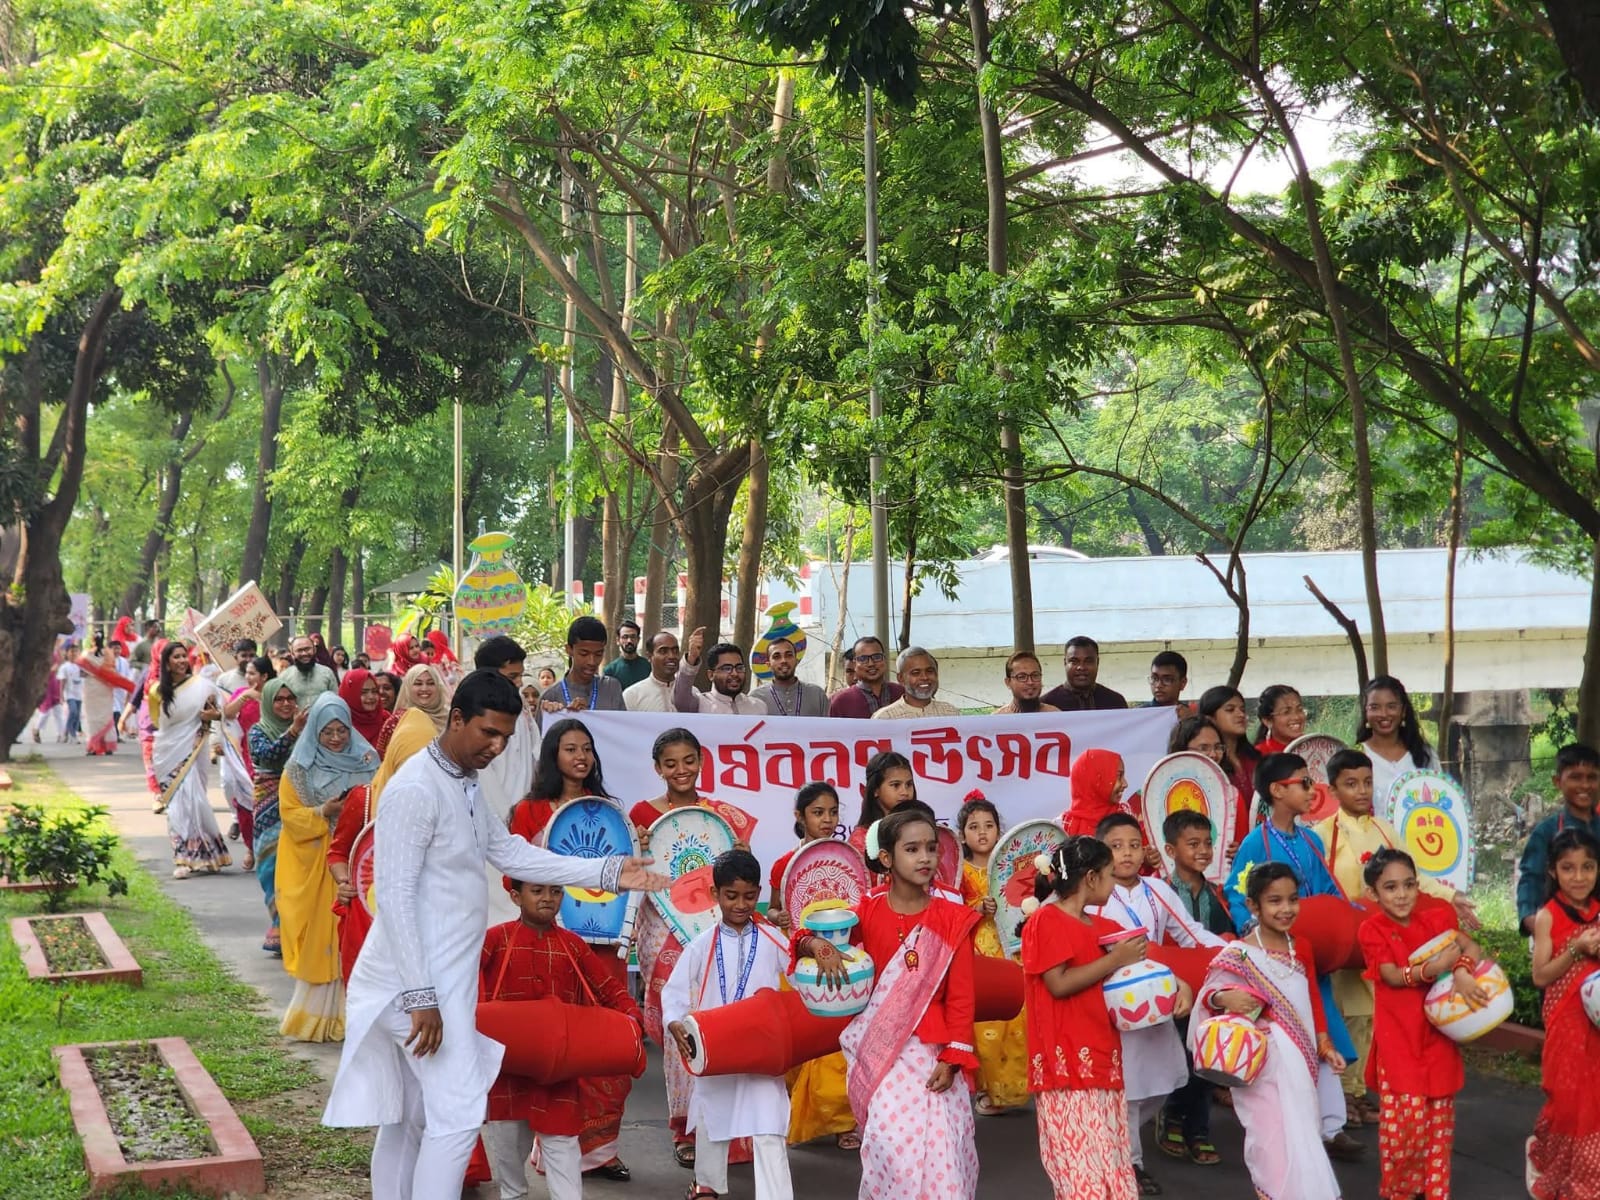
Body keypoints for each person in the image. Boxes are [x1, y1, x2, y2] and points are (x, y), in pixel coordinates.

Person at [320, 670, 667, 1198]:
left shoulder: (461, 782)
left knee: (411, 1117)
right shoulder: (415, 789)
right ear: (456, 719)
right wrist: (421, 997)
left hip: (437, 983)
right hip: (413, 985)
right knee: (458, 1115)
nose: (497, 747)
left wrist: (607, 872)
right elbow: (393, 897)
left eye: (505, 737)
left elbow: (509, 852)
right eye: (488, 733)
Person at [800, 807, 980, 1199]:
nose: (925, 858)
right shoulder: (866, 909)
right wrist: (816, 944)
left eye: (931, 848)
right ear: (886, 858)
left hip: (933, 1053)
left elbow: (962, 996)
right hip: (879, 1052)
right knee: (890, 1145)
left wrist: (953, 1057)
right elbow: (809, 933)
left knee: (942, 1152)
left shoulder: (952, 918)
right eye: (912, 849)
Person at [1313, 747, 1476, 1127]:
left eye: (1367, 782)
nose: (1361, 791)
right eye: (1350, 784)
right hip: (1347, 939)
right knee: (1346, 1013)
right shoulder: (1323, 835)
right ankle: (1343, 1096)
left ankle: (1359, 1092)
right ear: (1333, 791)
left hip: (1388, 936)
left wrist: (1452, 896)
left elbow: (1413, 876)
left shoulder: (1386, 829)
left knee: (1373, 1016)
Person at [627, 728, 757, 1166]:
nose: (680, 770)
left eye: (688, 761)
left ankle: (729, 1127)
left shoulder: (720, 819)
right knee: (679, 1024)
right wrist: (639, 847)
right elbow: (635, 873)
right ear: (657, 768)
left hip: (711, 933)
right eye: (670, 763)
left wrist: (739, 851)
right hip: (661, 931)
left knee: (719, 1020)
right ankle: (684, 1128)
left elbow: (739, 872)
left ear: (701, 761)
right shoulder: (642, 816)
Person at [1223, 753, 1363, 1159]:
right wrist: (1254, 933)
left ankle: (1332, 1127)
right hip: (1273, 959)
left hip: (1308, 953)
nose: (1310, 790)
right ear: (1277, 790)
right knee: (1285, 1043)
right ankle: (1295, 1127)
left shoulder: (1310, 839)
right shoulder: (1256, 842)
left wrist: (1345, 920)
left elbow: (1329, 890)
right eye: (1302, 782)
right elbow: (1237, 892)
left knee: (1322, 1032)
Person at [479, 877, 645, 1200]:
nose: (548, 899)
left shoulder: (572, 945)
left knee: (566, 1155)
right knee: (511, 1172)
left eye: (555, 892)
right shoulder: (494, 940)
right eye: (537, 891)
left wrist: (632, 1020)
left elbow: (608, 989)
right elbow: (461, 984)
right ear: (515, 897)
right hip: (507, 1071)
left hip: (559, 1074)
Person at [1197, 862, 1345, 1200]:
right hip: (1258, 1063)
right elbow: (1210, 997)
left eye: (1293, 900)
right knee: (1269, 1142)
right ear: (1253, 905)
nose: (1286, 909)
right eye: (1275, 901)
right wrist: (1224, 997)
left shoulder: (1302, 947)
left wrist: (1324, 1043)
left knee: (1302, 1136)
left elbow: (1311, 1000)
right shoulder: (1239, 955)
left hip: (1300, 1064)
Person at [1086, 812, 1214, 1193]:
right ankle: (1131, 1164)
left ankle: (1119, 1141)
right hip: (1111, 1007)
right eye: (1115, 846)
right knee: (1125, 1089)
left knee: (1162, 1082)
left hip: (1155, 1005)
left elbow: (1192, 935)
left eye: (1134, 845)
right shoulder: (1093, 897)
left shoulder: (1158, 891)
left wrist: (1235, 954)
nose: (1126, 854)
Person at [665, 851, 795, 1200]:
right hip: (716, 1046)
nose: (740, 904)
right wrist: (674, 1022)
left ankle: (777, 1195)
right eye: (731, 896)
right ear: (715, 894)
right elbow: (674, 992)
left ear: (759, 893)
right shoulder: (701, 945)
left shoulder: (773, 940)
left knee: (769, 1123)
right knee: (713, 1116)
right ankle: (706, 1184)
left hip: (762, 1047)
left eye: (750, 896)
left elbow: (799, 977)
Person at [1359, 847, 1485, 1200]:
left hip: (1437, 1040)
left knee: (1438, 1129)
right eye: (1391, 887)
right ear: (1373, 893)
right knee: (1405, 1133)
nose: (1401, 895)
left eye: (1409, 885)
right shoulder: (1372, 929)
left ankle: (1434, 1192)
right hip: (1399, 1042)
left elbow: (1470, 947)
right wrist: (1432, 969)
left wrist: (1461, 969)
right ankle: (1399, 1191)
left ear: (1418, 886)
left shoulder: (1434, 920)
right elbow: (1390, 975)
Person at [1020, 837, 1140, 1200]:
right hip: (1065, 1064)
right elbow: (1058, 983)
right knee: (1081, 1173)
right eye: (1108, 875)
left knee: (1111, 1166)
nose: (1113, 884)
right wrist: (1115, 960)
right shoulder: (1045, 920)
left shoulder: (1103, 927)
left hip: (1102, 1058)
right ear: (1090, 878)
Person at [278, 693, 377, 1041]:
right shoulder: (297, 770)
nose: (336, 738)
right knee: (325, 936)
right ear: (314, 732)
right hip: (320, 865)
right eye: (327, 732)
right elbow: (289, 817)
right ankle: (320, 1018)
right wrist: (325, 813)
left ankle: (357, 1016)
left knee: (356, 937)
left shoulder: (368, 760)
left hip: (361, 862)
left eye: (341, 730)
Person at [765, 783, 859, 1149]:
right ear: (799, 816)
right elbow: (772, 910)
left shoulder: (847, 859)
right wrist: (780, 914)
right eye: (818, 812)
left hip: (840, 961)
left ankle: (841, 1121)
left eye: (833, 812)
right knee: (801, 1041)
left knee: (836, 1041)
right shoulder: (784, 864)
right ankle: (796, 1110)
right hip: (799, 961)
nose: (827, 819)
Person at [1155, 809, 1234, 1169]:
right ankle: (1171, 1116)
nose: (1203, 850)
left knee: (1205, 1054)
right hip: (1176, 987)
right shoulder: (1160, 892)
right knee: (1177, 1054)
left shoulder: (1218, 893)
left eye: (1207, 843)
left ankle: (1199, 1128)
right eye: (1192, 844)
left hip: (1212, 987)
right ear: (1170, 850)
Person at [1525, 827, 1600, 1199]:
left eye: (1588, 867)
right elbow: (1540, 975)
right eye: (1569, 868)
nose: (1579, 877)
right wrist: (1576, 948)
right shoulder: (1547, 916)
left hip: (1597, 1022)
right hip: (1566, 1022)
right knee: (1569, 1099)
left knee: (1595, 1101)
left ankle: (1589, 1180)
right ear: (1553, 871)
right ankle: (1557, 1167)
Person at [956, 792, 1029, 1116]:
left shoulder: (1011, 866)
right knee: (985, 1026)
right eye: (974, 826)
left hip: (1010, 947)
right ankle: (989, 1089)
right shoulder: (960, 872)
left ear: (1000, 830)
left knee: (1017, 1020)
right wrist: (975, 908)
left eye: (989, 825)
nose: (982, 832)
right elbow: (950, 912)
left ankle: (1014, 1091)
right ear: (963, 835)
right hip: (977, 948)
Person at [149, 642, 232, 879]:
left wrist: (213, 715)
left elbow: (224, 710)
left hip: (194, 750)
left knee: (195, 801)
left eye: (184, 656)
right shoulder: (156, 690)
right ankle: (183, 856)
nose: (182, 660)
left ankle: (205, 854)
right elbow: (158, 723)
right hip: (167, 753)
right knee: (177, 806)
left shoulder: (203, 686)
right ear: (166, 662)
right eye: (176, 657)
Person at [1516, 743, 1600, 934]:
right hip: (1562, 929)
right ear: (1557, 781)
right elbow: (1531, 879)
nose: (1585, 785)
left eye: (1592, 777)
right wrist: (1532, 920)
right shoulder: (1546, 832)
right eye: (1576, 778)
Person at [249, 678, 305, 953]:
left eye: (289, 699)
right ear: (268, 703)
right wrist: (293, 732)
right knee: (270, 866)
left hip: (299, 802)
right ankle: (278, 924)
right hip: (269, 806)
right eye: (279, 700)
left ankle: (297, 928)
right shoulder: (258, 731)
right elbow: (268, 756)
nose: (285, 704)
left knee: (297, 866)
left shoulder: (307, 730)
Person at [1355, 676, 1440, 819]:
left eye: (1391, 706)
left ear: (1404, 711)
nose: (1383, 714)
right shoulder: (1356, 756)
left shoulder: (1425, 754)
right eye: (1375, 707)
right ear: (1366, 712)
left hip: (1419, 839)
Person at [476, 636, 538, 823]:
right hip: (493, 821)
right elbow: (483, 777)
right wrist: (507, 819)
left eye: (521, 675)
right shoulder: (475, 713)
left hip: (525, 818)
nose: (520, 683)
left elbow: (537, 754)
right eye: (513, 676)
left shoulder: (522, 705)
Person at [219, 655, 272, 870]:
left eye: (253, 673)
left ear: (265, 676)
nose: (248, 677)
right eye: (247, 673)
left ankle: (267, 849)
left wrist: (260, 698)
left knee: (264, 803)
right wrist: (246, 696)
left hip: (267, 753)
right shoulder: (241, 693)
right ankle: (250, 848)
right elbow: (227, 714)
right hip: (244, 754)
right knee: (243, 803)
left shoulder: (275, 694)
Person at [1197, 686, 1259, 858]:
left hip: (1258, 848)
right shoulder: (1206, 767)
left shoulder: (1257, 759)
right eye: (1230, 710)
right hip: (1220, 854)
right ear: (1210, 718)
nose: (1241, 715)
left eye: (1242, 709)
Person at [541, 617, 627, 722]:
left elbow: (622, 732)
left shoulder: (611, 688)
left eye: (598, 654)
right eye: (584, 654)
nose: (592, 661)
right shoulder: (551, 697)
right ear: (569, 650)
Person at [673, 627, 765, 716]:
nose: (735, 673)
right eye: (727, 668)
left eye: (739, 668)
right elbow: (681, 700)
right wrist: (691, 658)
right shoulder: (700, 704)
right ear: (711, 675)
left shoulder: (758, 707)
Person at [847, 751, 916, 862]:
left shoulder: (919, 830)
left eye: (909, 784)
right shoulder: (861, 840)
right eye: (896, 785)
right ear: (875, 790)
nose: (905, 792)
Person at [376, 663, 450, 757]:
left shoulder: (450, 719)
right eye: (418, 683)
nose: (424, 688)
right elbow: (383, 760)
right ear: (408, 688)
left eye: (431, 683)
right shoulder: (396, 722)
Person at [871, 646, 962, 720]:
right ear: (900, 678)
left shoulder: (951, 713)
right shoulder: (885, 718)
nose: (924, 677)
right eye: (916, 673)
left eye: (929, 671)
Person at [1042, 636, 1128, 712]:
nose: (1081, 667)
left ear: (1097, 662)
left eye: (1088, 661)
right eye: (1074, 661)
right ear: (1065, 663)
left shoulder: (1115, 702)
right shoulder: (1046, 704)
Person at [78, 636, 134, 755]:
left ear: (92, 641)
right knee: (106, 717)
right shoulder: (108, 654)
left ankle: (93, 747)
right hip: (104, 689)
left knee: (92, 718)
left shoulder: (86, 655)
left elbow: (81, 673)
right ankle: (108, 746)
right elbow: (111, 672)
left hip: (91, 689)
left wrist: (92, 672)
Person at [1061, 747, 1133, 838]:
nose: (1125, 784)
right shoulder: (1062, 828)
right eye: (1118, 776)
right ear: (1095, 780)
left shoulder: (1126, 817)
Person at [826, 636, 904, 718]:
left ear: (884, 659)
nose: (871, 663)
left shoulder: (902, 694)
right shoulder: (841, 702)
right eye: (863, 659)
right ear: (855, 663)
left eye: (877, 657)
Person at [750, 637, 829, 717]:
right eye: (777, 657)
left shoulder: (817, 695)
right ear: (769, 665)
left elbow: (828, 728)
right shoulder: (756, 698)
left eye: (789, 655)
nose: (783, 660)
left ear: (796, 661)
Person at [623, 631, 681, 713]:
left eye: (675, 651)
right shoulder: (632, 695)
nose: (671, 656)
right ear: (649, 656)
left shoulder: (692, 693)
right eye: (663, 651)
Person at [337, 667, 391, 749]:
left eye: (374, 691)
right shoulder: (338, 723)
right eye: (363, 692)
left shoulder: (386, 720)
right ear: (350, 695)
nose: (371, 697)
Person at [991, 651, 1059, 714]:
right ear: (1008, 682)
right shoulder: (997, 720)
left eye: (1035, 675)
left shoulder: (1055, 715)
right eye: (1022, 677)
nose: (1030, 682)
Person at [281, 634, 340, 705]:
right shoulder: (285, 676)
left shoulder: (327, 673)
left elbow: (335, 701)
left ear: (314, 650)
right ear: (292, 654)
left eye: (307, 649)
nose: (304, 653)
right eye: (299, 650)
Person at [1253, 684, 1305, 753]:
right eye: (1286, 712)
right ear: (1267, 721)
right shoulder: (1258, 755)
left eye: (1299, 710)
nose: (1296, 717)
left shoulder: (1317, 747)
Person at [601, 619, 652, 691]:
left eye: (633, 637)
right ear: (618, 641)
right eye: (625, 637)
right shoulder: (610, 670)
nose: (629, 641)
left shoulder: (649, 667)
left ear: (638, 639)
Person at [56, 646, 84, 743]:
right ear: (67, 653)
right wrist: (61, 696)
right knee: (73, 712)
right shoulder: (65, 667)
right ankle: (73, 735)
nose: (74, 654)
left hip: (79, 695)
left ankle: (67, 732)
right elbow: (62, 682)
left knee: (77, 716)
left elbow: (85, 676)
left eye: (76, 652)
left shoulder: (81, 666)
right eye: (72, 652)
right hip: (69, 695)